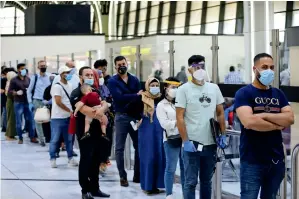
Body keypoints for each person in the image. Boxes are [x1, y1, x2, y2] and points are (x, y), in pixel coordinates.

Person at [234, 53, 294, 199]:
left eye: (272, 67)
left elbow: (290, 118)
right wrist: (276, 125)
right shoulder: (244, 93)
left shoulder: (278, 94)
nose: (269, 71)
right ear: (255, 69)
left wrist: (264, 116)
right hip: (252, 160)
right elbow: (249, 122)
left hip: (275, 160)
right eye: (264, 67)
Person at [175, 55, 226, 199]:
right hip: (192, 143)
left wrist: (223, 134)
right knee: (190, 182)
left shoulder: (213, 88)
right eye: (196, 67)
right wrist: (185, 141)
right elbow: (179, 117)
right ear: (190, 70)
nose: (200, 70)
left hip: (210, 144)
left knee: (206, 182)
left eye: (202, 66)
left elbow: (220, 113)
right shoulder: (183, 89)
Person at [70, 66, 110, 199]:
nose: (90, 77)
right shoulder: (76, 93)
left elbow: (104, 103)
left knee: (96, 159)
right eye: (87, 75)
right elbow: (84, 110)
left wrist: (102, 109)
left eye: (92, 75)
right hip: (84, 132)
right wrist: (100, 113)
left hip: (97, 130)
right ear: (81, 77)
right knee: (86, 159)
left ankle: (95, 188)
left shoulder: (96, 90)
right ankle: (85, 189)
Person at [107, 56, 141, 187]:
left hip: (135, 116)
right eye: (119, 64)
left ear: (127, 64)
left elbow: (139, 98)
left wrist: (133, 97)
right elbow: (118, 97)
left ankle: (137, 175)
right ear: (115, 67)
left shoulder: (134, 79)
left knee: (138, 146)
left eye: (123, 63)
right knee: (119, 148)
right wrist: (135, 95)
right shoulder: (112, 81)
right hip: (121, 117)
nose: (122, 66)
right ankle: (122, 176)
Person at [156, 77, 185, 199]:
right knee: (171, 167)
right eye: (173, 87)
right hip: (170, 139)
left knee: (185, 167)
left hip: (185, 138)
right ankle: (169, 193)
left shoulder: (182, 102)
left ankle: (186, 192)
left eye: (177, 87)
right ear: (166, 88)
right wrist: (179, 121)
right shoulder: (161, 105)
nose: (175, 90)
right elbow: (164, 124)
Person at [138, 77, 165, 195]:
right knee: (148, 157)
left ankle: (156, 185)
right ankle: (147, 185)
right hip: (146, 131)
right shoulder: (141, 98)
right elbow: (132, 110)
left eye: (156, 85)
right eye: (152, 85)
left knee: (159, 156)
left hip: (159, 131)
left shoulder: (161, 99)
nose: (154, 88)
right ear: (147, 86)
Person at [49, 66, 78, 168]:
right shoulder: (57, 86)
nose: (68, 74)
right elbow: (58, 102)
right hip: (57, 117)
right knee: (55, 139)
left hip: (68, 117)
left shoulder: (70, 85)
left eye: (69, 72)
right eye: (66, 72)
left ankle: (70, 159)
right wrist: (69, 110)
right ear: (61, 74)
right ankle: (52, 158)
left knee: (69, 139)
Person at [8, 63, 37, 144]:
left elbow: (31, 89)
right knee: (19, 121)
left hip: (27, 102)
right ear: (18, 70)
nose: (23, 70)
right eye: (22, 68)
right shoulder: (14, 80)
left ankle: (32, 137)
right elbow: (10, 91)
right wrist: (16, 92)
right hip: (18, 103)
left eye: (24, 68)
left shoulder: (28, 79)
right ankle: (20, 138)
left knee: (31, 120)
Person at [27, 60, 51, 147]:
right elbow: (29, 90)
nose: (43, 67)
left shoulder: (50, 76)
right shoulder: (35, 77)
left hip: (47, 101)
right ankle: (42, 140)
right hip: (37, 101)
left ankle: (50, 138)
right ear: (38, 67)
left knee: (49, 120)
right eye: (41, 66)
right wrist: (30, 102)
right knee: (38, 121)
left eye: (44, 65)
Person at [5, 71, 17, 140]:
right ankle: (10, 135)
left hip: (10, 101)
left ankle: (10, 134)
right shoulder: (10, 84)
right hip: (11, 101)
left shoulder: (8, 82)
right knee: (11, 119)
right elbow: (11, 94)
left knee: (11, 118)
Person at [1, 66, 8, 132]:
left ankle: (5, 126)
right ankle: (4, 127)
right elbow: (1, 90)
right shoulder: (3, 79)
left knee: (6, 113)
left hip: (8, 98)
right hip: (4, 98)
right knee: (5, 112)